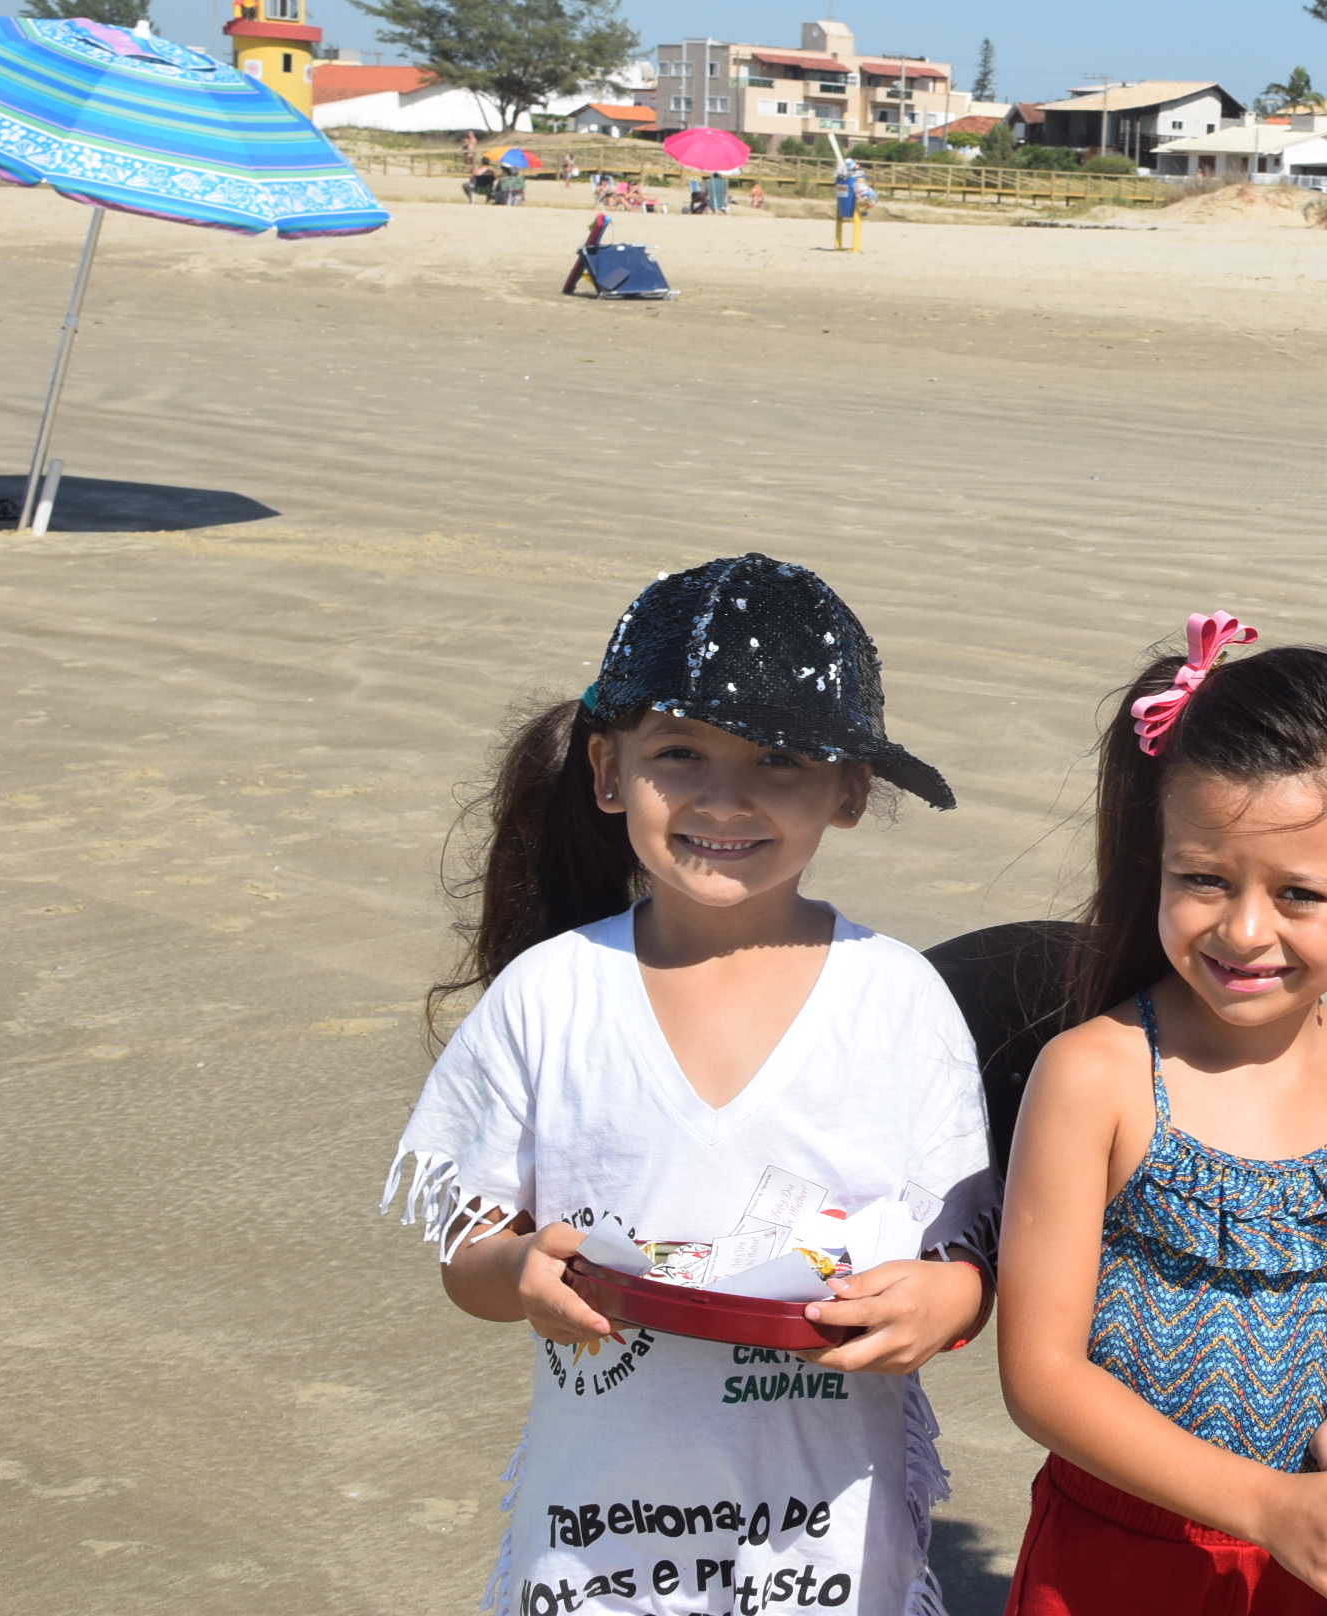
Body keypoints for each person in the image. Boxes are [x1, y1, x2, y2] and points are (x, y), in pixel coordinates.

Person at [384, 555, 992, 1616]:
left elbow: (966, 1254)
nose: (724, 798)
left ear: (850, 789)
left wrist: (944, 1301)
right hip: (598, 1544)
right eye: (679, 753)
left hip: (826, 1545)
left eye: (779, 759)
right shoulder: (551, 993)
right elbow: (468, 1261)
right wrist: (521, 1271)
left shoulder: (898, 998)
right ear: (608, 771)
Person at [998, 618, 1327, 1614]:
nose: (1244, 929)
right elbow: (1040, 1376)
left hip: (1314, 1565)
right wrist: (1266, 1504)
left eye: (1300, 893)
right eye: (1203, 877)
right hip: (1109, 1562)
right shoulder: (1094, 1075)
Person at [834, 159, 869, 250]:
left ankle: (838, 245)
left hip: (845, 198)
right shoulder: (855, 175)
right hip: (849, 197)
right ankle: (851, 247)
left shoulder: (846, 175)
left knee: (844, 213)